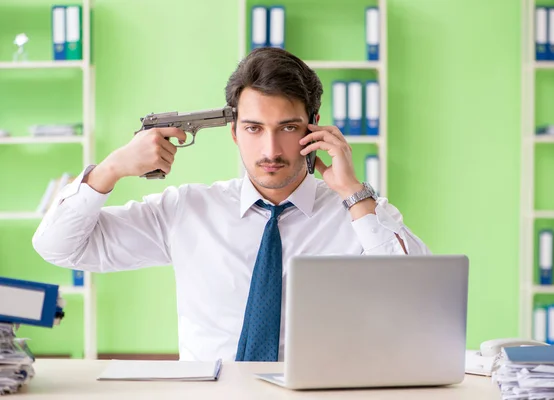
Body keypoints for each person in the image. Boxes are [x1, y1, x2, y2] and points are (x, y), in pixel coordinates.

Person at [32, 47, 431, 362]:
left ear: (315, 127)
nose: (270, 150)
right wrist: (112, 169)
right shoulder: (186, 210)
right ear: (235, 132)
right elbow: (59, 247)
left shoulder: (358, 213)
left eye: (288, 128)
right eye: (254, 129)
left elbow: (420, 301)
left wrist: (352, 191)